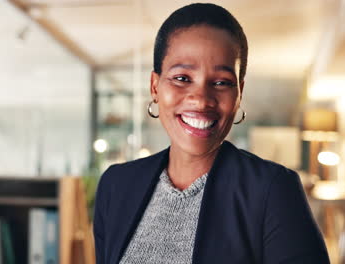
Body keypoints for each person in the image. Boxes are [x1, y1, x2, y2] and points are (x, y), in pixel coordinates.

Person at [93, 3, 329, 264]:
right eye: (182, 78)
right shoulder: (116, 186)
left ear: (238, 94)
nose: (202, 100)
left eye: (221, 83)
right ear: (155, 87)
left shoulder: (272, 191)